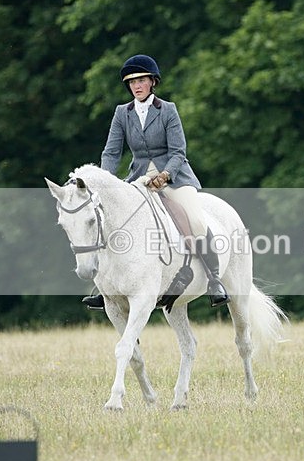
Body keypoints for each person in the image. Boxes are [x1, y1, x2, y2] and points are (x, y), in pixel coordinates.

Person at [82, 54, 229, 309]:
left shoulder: (168, 110)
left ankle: (215, 280)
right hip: (138, 178)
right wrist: (105, 182)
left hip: (174, 177)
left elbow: (178, 152)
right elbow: (111, 152)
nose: (136, 86)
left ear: (152, 81)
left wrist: (165, 175)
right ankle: (104, 286)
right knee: (114, 222)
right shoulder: (121, 113)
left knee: (195, 219)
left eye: (141, 80)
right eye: (131, 82)